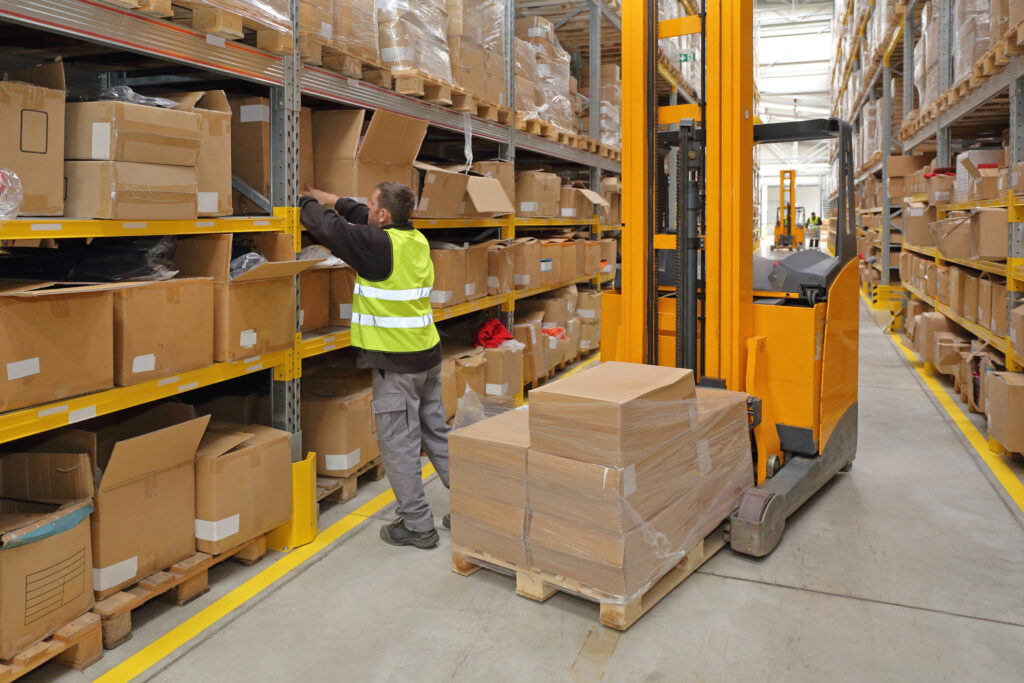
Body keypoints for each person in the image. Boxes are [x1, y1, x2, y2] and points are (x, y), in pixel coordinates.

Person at [300, 181, 450, 550]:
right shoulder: (413, 239)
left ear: (382, 215)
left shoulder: (377, 246)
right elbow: (355, 216)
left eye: (371, 204)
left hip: (397, 364)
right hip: (427, 356)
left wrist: (302, 202)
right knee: (436, 434)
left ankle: (417, 525)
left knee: (398, 442)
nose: (365, 209)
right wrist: (330, 198)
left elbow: (330, 229)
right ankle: (472, 507)